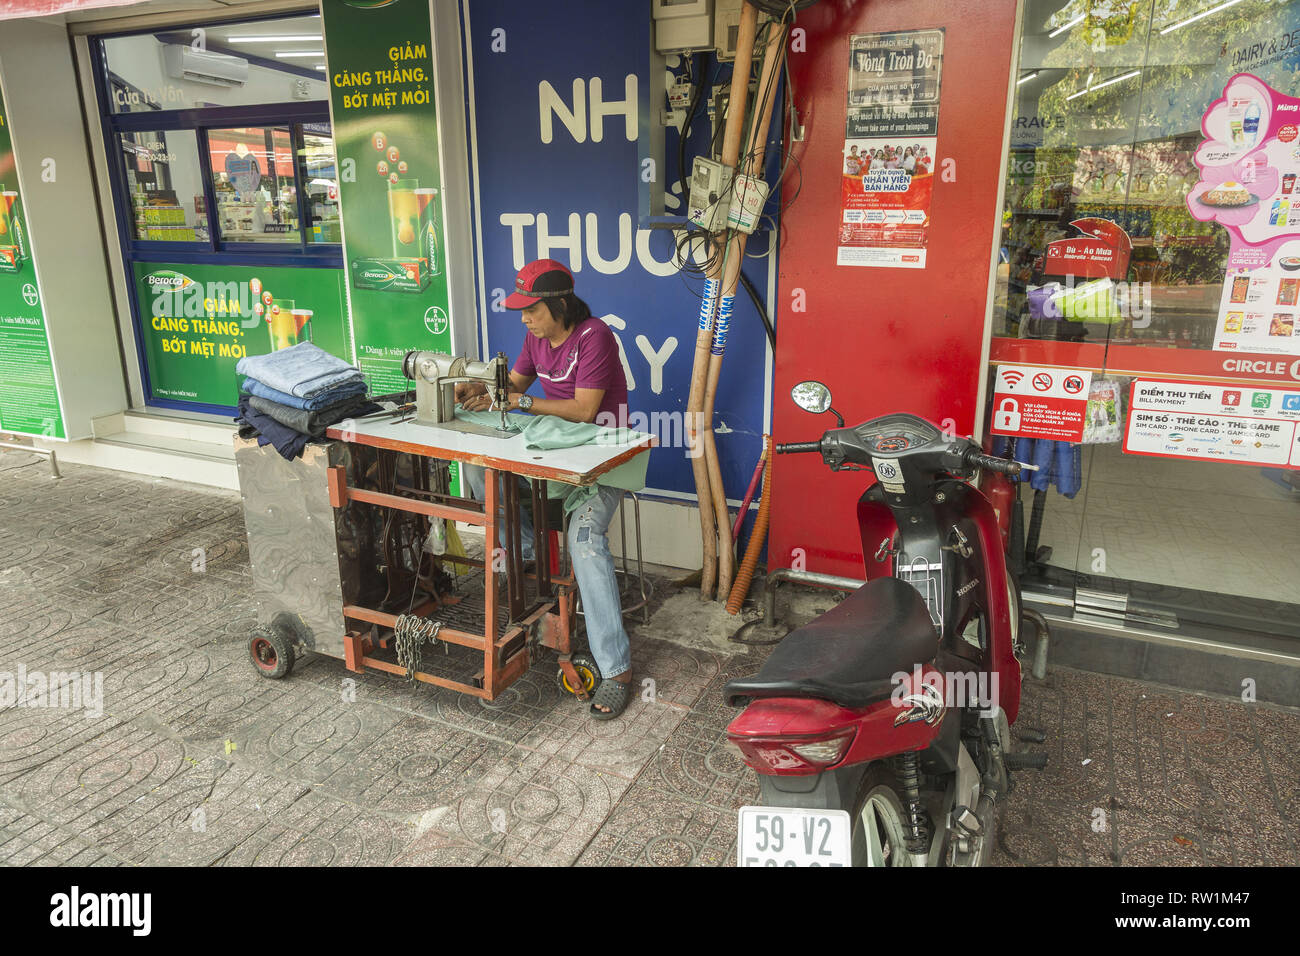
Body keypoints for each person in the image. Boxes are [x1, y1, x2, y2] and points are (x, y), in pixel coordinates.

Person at [456, 259, 635, 719]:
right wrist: (480, 390)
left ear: (557, 304)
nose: (524, 318)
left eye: (531, 309)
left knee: (585, 542)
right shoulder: (536, 338)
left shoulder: (594, 336)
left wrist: (521, 401)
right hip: (554, 460)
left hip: (600, 464)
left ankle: (616, 670)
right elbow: (513, 384)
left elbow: (585, 409)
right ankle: (529, 555)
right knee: (478, 471)